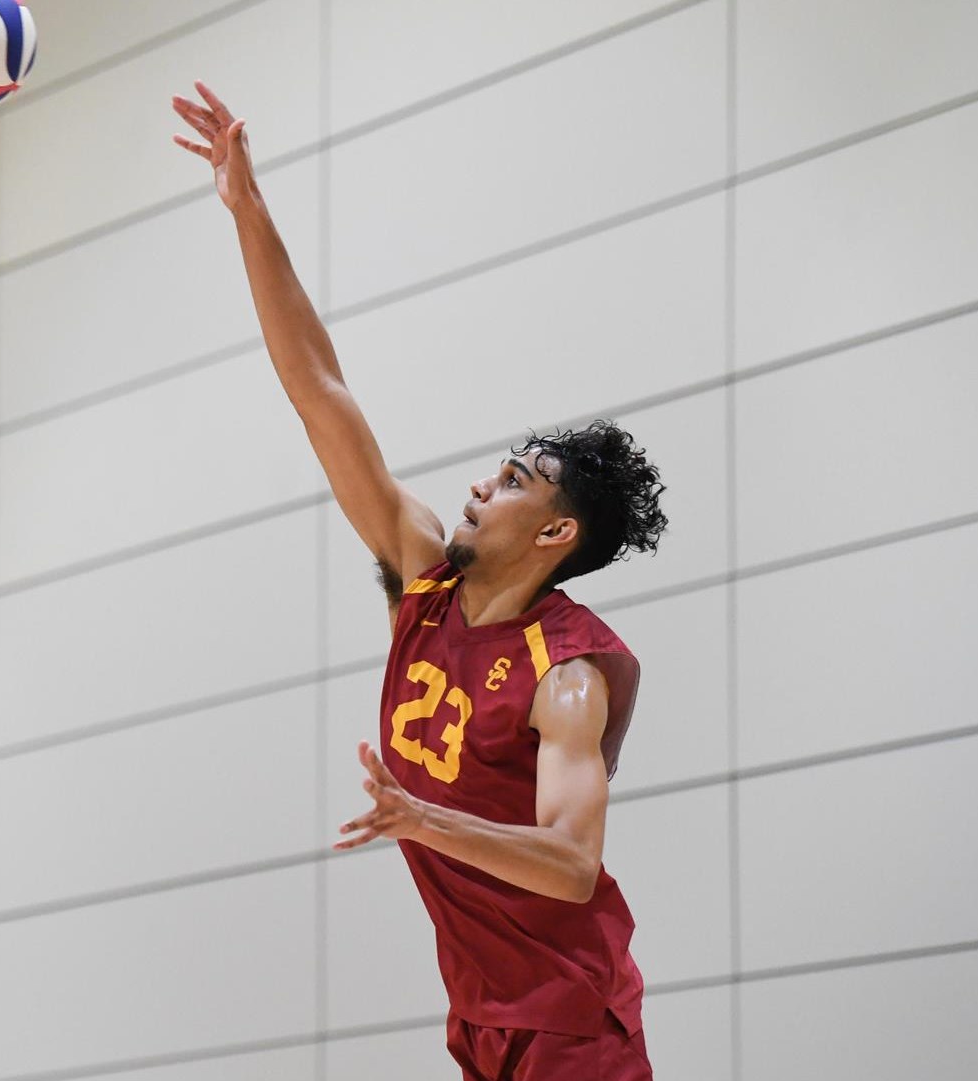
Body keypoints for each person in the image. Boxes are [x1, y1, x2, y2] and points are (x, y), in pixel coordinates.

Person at [171, 81, 669, 1081]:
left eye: (515, 481)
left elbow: (573, 866)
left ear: (557, 532)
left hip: (571, 1021)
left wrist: (422, 818)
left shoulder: (567, 674)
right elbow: (320, 391)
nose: (483, 484)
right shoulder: (424, 579)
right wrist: (246, 208)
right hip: (481, 1017)